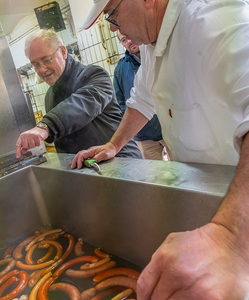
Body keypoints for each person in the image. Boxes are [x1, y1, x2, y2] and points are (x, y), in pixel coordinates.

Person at [71, 0, 249, 298]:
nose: (113, 27)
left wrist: (232, 237)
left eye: (112, 15)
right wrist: (114, 144)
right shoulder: (153, 45)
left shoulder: (217, 21)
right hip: (209, 203)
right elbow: (142, 98)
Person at [15, 29, 142, 159]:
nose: (42, 69)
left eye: (47, 60)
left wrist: (46, 126)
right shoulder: (49, 96)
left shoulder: (94, 75)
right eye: (35, 65)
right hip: (87, 169)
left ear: (63, 52)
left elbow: (82, 104)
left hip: (120, 161)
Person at [114, 30, 168, 160]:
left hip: (168, 129)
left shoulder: (157, 55)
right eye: (123, 40)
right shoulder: (121, 69)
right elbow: (120, 102)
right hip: (143, 135)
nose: (129, 42)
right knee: (155, 177)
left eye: (128, 36)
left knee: (181, 171)